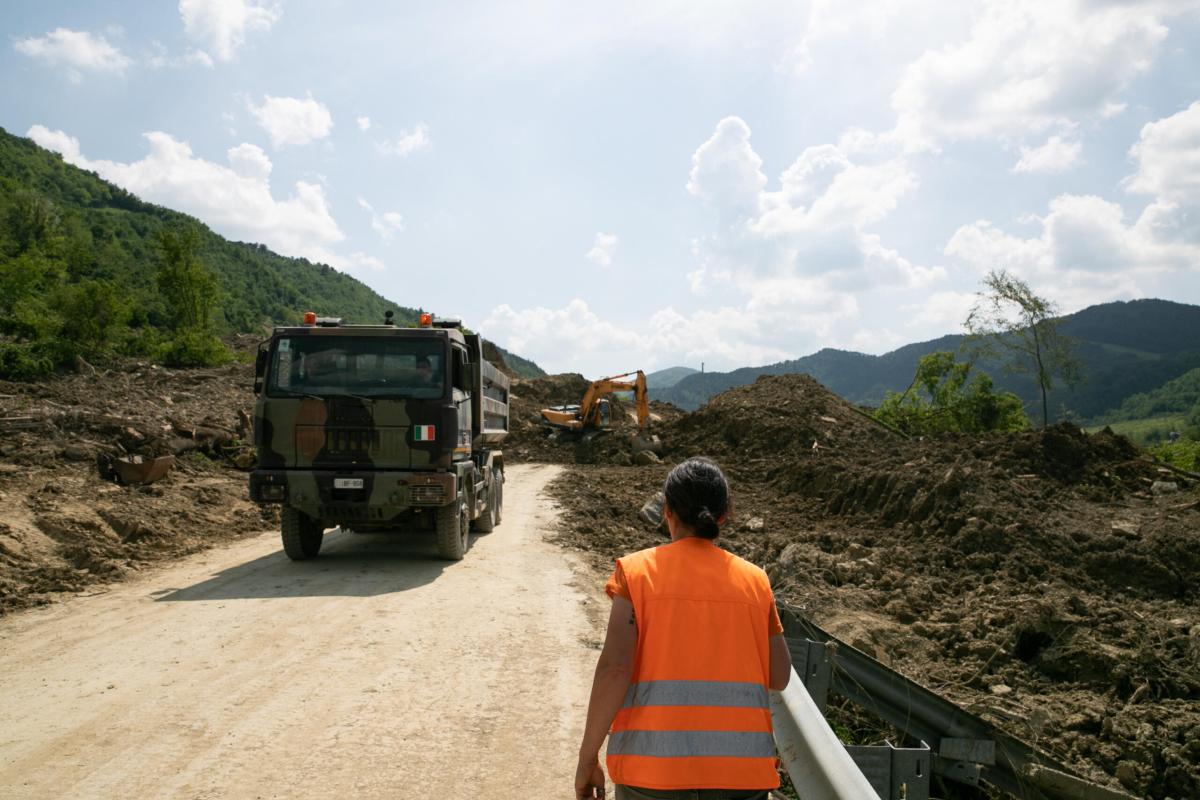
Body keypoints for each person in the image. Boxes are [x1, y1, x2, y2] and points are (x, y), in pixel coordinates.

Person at [575, 457, 792, 800]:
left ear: (667, 511)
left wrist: (588, 757)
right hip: (740, 777)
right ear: (723, 516)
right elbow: (779, 675)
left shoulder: (636, 574)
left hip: (651, 774)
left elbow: (615, 669)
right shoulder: (756, 582)